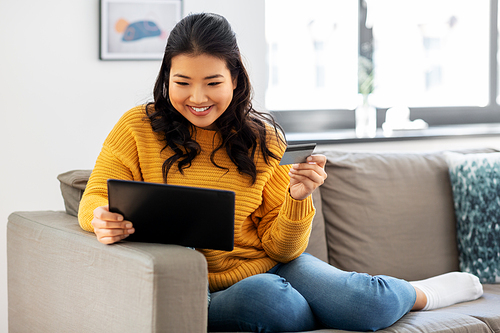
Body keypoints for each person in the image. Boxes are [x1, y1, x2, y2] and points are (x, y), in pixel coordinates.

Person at [78, 12, 483, 332]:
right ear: (166, 78)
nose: (197, 97)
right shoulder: (137, 127)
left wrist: (297, 200)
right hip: (194, 286)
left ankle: (423, 293)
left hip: (272, 264)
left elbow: (283, 251)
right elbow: (95, 196)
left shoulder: (263, 138)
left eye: (212, 82)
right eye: (182, 82)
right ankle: (314, 311)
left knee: (365, 303)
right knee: (268, 300)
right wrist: (101, 218)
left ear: (235, 80)